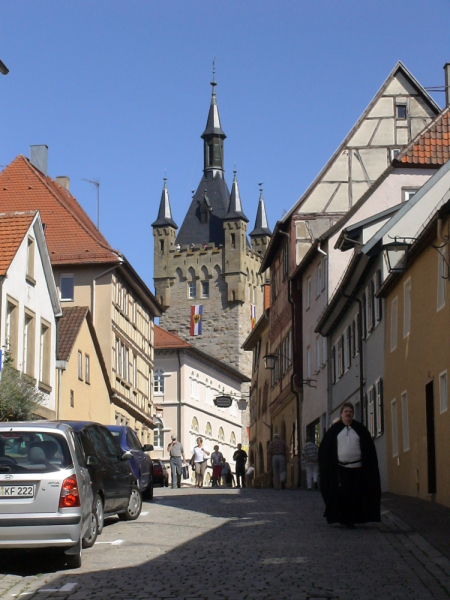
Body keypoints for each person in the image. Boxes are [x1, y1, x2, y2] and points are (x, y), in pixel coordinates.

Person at [318, 402, 381, 528]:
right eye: (346, 411)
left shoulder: (360, 430)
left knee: (356, 495)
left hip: (358, 469)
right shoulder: (333, 431)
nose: (348, 414)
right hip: (341, 470)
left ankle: (354, 518)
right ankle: (344, 519)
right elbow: (325, 450)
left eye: (350, 412)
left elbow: (369, 450)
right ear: (341, 414)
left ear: (353, 414)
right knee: (343, 495)